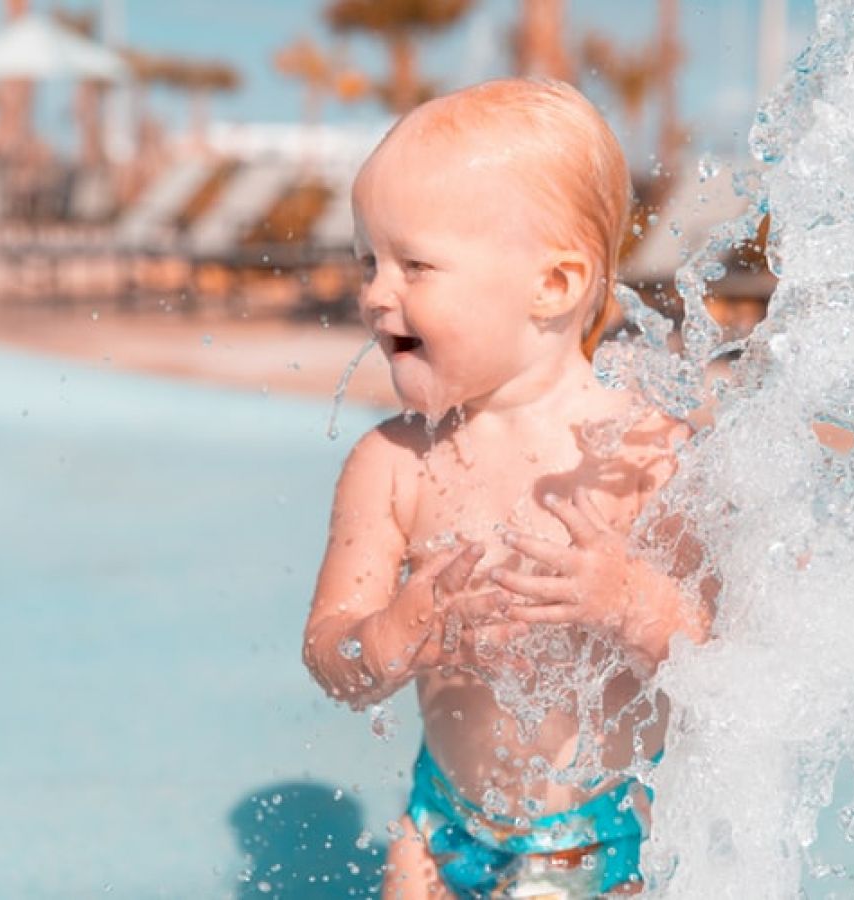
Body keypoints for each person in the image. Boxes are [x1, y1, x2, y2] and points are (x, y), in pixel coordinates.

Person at [302, 78, 712, 899]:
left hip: (613, 832)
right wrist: (389, 636)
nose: (378, 292)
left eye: (415, 264)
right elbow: (330, 654)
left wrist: (633, 601)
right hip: (443, 822)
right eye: (369, 262)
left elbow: (721, 664)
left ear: (553, 287)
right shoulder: (392, 465)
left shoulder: (649, 458)